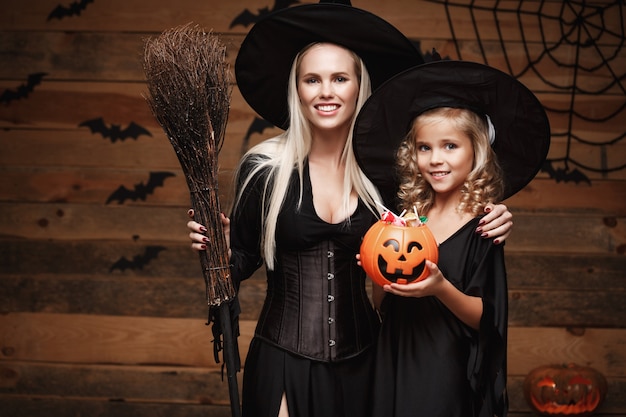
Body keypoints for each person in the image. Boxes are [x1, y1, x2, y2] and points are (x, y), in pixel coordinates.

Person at [188, 3, 514, 417]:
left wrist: (495, 214)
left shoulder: (386, 178)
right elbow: (240, 264)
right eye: (312, 79)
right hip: (284, 357)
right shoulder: (265, 169)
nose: (326, 92)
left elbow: (439, 222)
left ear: (359, 86)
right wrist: (213, 253)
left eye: (340, 78)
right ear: (298, 89)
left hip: (368, 362)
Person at [352, 60, 551, 417]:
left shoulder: (484, 224)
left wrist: (440, 286)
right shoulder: (407, 219)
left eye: (450, 146)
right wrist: (376, 274)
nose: (435, 159)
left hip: (444, 367)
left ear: (475, 151)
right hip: (393, 354)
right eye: (424, 147)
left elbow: (486, 317)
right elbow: (382, 305)